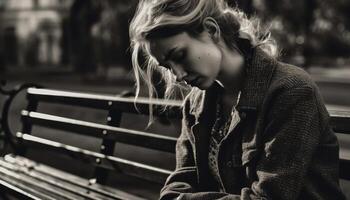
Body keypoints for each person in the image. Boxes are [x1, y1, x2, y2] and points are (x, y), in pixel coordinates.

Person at [129, 0, 346, 199]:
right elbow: (182, 178)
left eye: (179, 56)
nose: (178, 75)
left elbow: (269, 197)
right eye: (167, 67)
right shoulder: (196, 104)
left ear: (211, 30)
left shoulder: (291, 91)